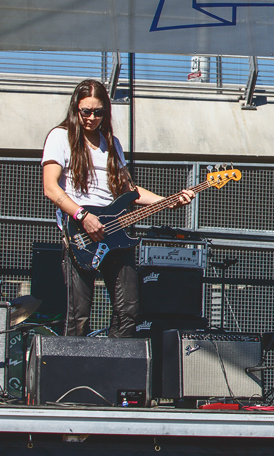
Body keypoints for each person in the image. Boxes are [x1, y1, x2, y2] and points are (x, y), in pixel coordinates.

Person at [42, 79, 196, 337]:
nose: (91, 117)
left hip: (115, 233)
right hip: (81, 231)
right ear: (75, 109)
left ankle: (113, 371)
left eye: (98, 112)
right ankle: (75, 374)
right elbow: (50, 187)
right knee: (78, 314)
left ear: (106, 111)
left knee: (129, 311)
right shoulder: (60, 136)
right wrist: (83, 215)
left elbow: (128, 192)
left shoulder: (111, 143)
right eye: (86, 111)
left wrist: (169, 200)